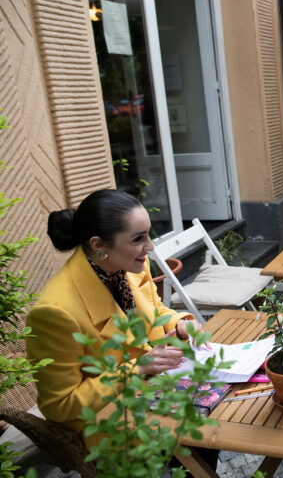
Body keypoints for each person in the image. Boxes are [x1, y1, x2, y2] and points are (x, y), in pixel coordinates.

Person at [26, 190, 205, 447]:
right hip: (106, 423)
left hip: (153, 393)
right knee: (203, 431)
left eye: (148, 234)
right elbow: (60, 406)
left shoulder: (131, 265)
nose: (151, 246)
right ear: (99, 246)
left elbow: (154, 313)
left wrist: (178, 324)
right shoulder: (54, 312)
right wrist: (138, 367)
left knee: (213, 410)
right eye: (138, 238)